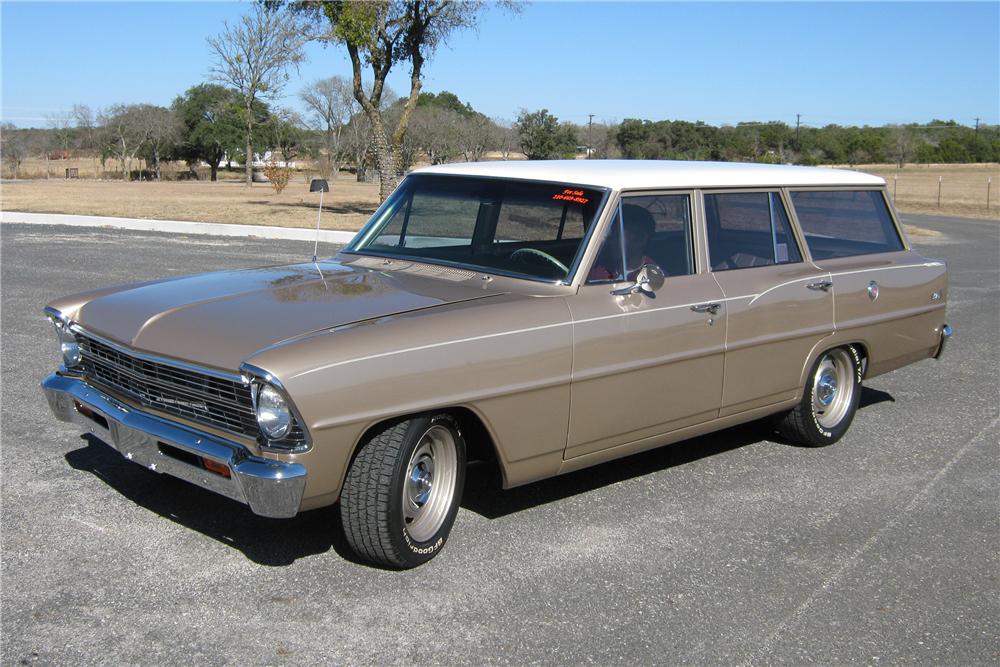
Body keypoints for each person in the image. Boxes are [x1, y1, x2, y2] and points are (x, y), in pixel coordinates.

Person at [589, 204, 658, 282]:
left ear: (640, 239)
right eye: (611, 235)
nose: (611, 241)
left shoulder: (654, 278)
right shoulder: (600, 269)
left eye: (617, 235)